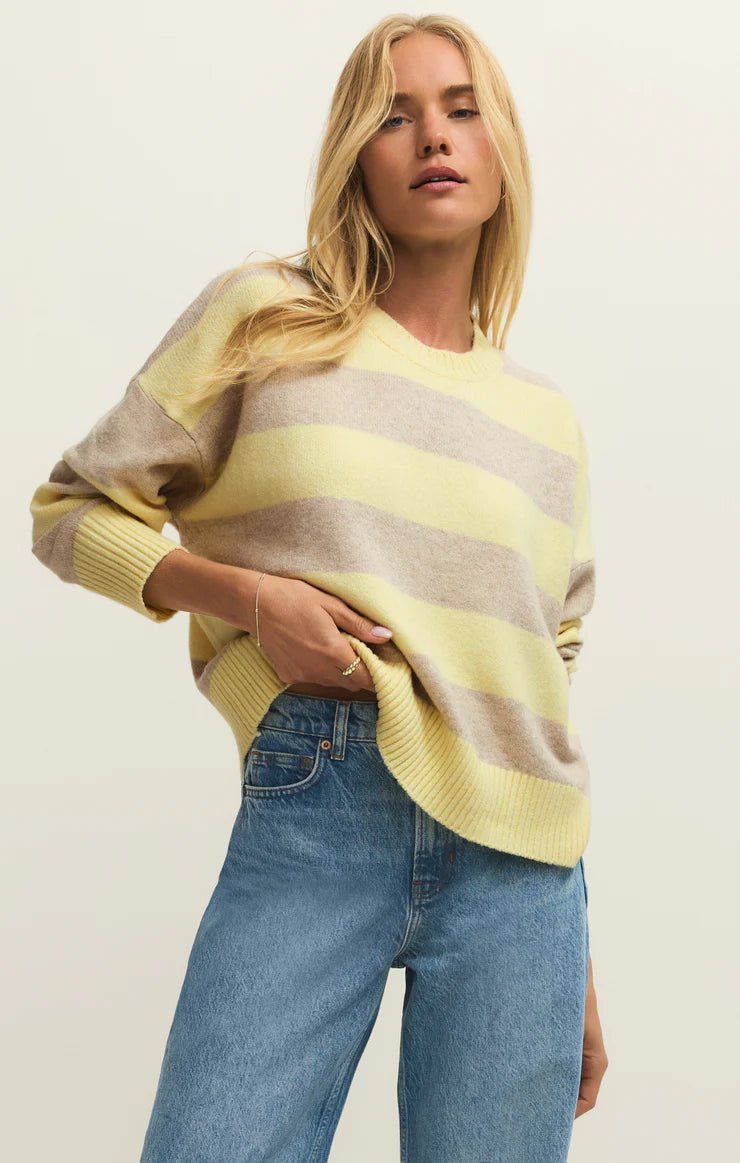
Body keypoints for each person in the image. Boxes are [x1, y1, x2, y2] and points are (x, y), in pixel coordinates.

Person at [29, 13, 608, 1162]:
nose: (432, 136)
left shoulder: (544, 421)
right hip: (320, 798)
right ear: (354, 155)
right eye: (394, 115)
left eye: (461, 109)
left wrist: (575, 944)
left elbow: (545, 674)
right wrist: (249, 598)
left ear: (501, 155)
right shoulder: (264, 316)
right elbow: (70, 512)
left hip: (523, 879)